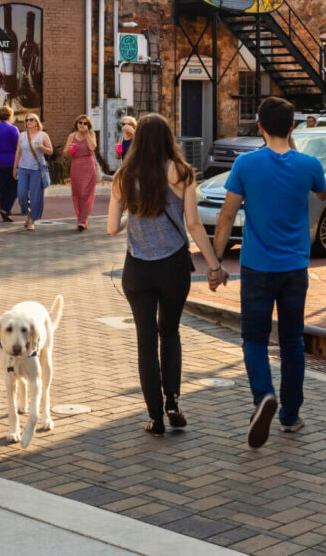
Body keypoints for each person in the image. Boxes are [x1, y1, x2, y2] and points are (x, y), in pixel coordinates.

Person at [213, 96, 326, 448]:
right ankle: (290, 415)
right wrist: (292, 146)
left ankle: (263, 394)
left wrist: (216, 264)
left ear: (259, 126)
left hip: (257, 267)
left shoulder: (246, 164)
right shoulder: (309, 165)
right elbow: (323, 193)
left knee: (255, 339)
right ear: (292, 127)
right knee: (293, 340)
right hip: (295, 267)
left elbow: (228, 215)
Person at [107, 113, 228, 436]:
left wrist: (129, 218)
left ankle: (155, 418)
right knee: (170, 332)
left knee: (145, 341)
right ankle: (173, 401)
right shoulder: (182, 172)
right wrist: (214, 264)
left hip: (138, 268)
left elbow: (110, 227)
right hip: (174, 265)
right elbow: (192, 224)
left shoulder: (123, 175)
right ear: (167, 139)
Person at [14, 113, 52, 231]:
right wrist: (15, 167)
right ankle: (28, 211)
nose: (29, 121)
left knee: (36, 196)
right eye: (27, 120)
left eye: (31, 119)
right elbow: (18, 152)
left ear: (36, 122)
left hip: (37, 170)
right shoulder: (22, 135)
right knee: (21, 194)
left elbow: (50, 151)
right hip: (23, 168)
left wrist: (41, 147)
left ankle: (32, 220)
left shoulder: (43, 135)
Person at [65, 114, 99, 231]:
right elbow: (65, 153)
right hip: (76, 165)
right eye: (80, 123)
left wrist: (87, 134)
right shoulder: (72, 136)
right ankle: (80, 217)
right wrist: (68, 149)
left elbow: (92, 147)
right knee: (78, 193)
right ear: (76, 124)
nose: (82, 125)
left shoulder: (91, 134)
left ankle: (82, 220)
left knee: (85, 193)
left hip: (88, 165)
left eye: (85, 123)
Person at [0, 106, 21, 221]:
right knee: (15, 185)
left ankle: (4, 209)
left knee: (3, 186)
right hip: (10, 160)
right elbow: (18, 145)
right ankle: (6, 209)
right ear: (10, 116)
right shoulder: (12, 129)